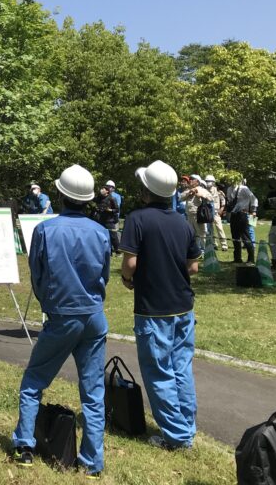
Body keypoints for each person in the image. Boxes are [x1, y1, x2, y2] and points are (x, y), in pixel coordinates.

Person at [11, 165, 110, 477]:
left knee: (33, 382)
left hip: (61, 316)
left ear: (61, 194)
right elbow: (104, 275)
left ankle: (25, 445)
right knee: (93, 392)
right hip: (93, 316)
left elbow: (37, 276)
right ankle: (92, 462)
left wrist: (49, 304)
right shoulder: (101, 232)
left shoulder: (45, 230)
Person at [120, 159, 202, 450]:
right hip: (183, 306)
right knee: (181, 369)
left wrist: (127, 278)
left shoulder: (137, 219)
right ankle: (186, 428)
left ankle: (177, 437)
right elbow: (193, 268)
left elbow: (130, 263)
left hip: (152, 308)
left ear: (146, 191)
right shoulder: (182, 222)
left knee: (158, 372)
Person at [226, 178, 258, 264]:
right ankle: (237, 258)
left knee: (245, 237)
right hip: (234, 214)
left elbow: (254, 199)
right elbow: (229, 201)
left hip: (243, 214)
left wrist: (253, 211)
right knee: (235, 237)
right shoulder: (229, 189)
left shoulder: (244, 188)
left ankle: (251, 259)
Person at [182, 174, 214, 247]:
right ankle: (196, 252)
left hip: (198, 216)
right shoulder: (188, 190)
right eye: (190, 179)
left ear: (197, 181)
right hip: (189, 216)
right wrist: (189, 193)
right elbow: (181, 198)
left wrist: (202, 195)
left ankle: (206, 251)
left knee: (202, 234)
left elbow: (211, 198)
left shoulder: (202, 189)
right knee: (192, 234)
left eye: (192, 179)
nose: (190, 180)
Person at [205, 176, 230, 251]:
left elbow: (223, 201)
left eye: (209, 181)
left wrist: (221, 209)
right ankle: (213, 244)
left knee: (219, 228)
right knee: (210, 229)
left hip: (216, 212)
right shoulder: (204, 190)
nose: (208, 183)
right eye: (206, 181)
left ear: (213, 182)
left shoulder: (218, 191)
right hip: (208, 212)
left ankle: (224, 245)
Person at [95, 183, 121, 254]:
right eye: (101, 188)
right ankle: (105, 250)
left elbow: (117, 210)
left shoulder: (112, 198)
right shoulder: (99, 197)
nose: (101, 190)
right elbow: (94, 200)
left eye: (103, 189)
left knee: (113, 236)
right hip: (100, 219)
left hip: (109, 220)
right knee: (100, 235)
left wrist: (110, 210)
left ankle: (118, 251)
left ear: (107, 191)